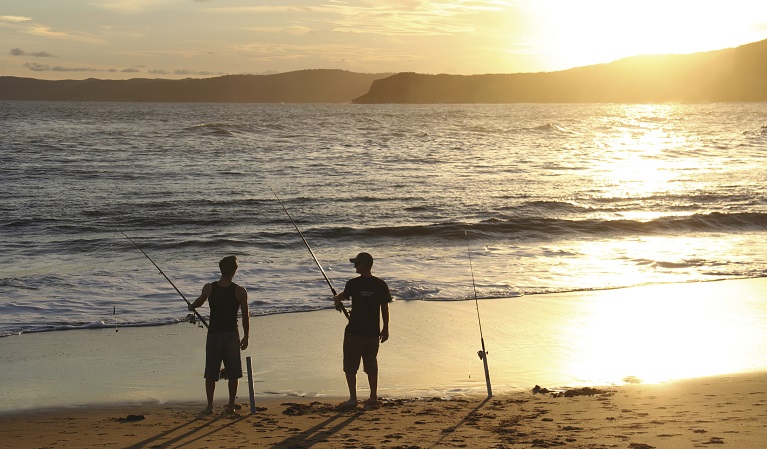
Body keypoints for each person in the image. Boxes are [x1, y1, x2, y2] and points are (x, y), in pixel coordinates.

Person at [188, 255, 249, 415]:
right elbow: (245, 316)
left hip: (214, 334)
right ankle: (230, 405)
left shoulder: (209, 288)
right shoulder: (240, 291)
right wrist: (246, 336)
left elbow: (199, 303)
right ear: (233, 270)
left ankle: (209, 406)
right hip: (231, 335)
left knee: (211, 372)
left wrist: (191, 306)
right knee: (233, 372)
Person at [333, 251, 391, 409]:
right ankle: (373, 397)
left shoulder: (353, 283)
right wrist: (385, 329)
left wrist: (335, 299)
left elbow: (343, 296)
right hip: (373, 332)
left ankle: (353, 398)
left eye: (357, 263)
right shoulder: (380, 284)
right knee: (371, 364)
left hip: (355, 331)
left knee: (350, 365)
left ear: (364, 265)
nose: (354, 266)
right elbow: (385, 309)